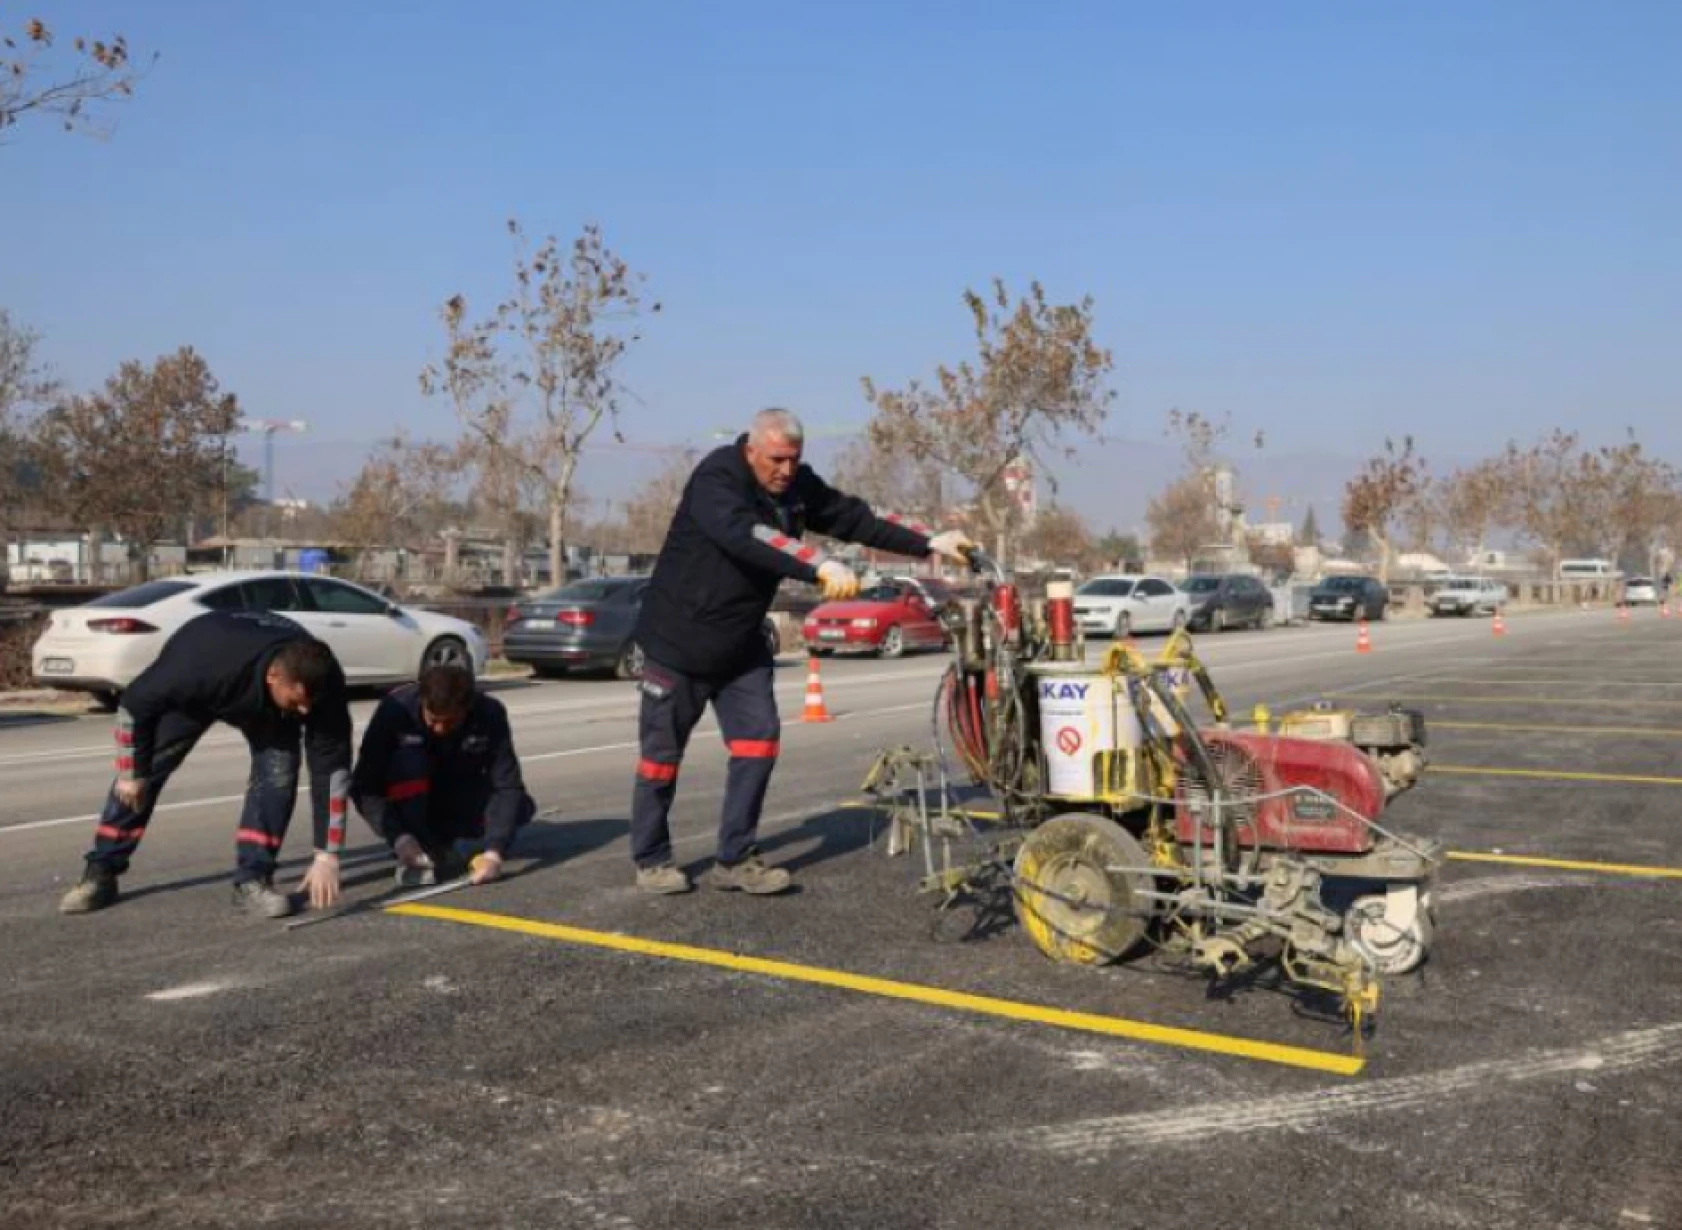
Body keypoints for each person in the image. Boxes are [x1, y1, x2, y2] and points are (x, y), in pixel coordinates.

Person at [628, 407, 974, 895]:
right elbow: (748, 534)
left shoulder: (795, 484)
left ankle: (736, 857)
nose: (785, 470)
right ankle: (652, 858)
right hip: (678, 641)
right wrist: (818, 565)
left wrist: (929, 541)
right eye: (775, 460)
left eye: (794, 459)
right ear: (751, 449)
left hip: (739, 643)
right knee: (661, 758)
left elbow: (855, 515)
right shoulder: (716, 479)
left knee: (759, 742)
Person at [59, 610, 353, 919]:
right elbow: (135, 705)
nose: (305, 711)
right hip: (206, 685)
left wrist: (327, 855)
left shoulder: (323, 683)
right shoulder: (199, 665)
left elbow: (332, 771)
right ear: (273, 677)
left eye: (309, 703)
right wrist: (131, 773)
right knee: (144, 770)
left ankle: (253, 880)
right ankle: (101, 871)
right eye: (297, 701)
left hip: (266, 711)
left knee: (279, 776)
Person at [351, 663, 535, 886]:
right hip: (413, 803)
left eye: (449, 722)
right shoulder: (395, 711)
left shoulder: (489, 713)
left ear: (467, 708)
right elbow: (364, 785)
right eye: (433, 719)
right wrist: (397, 836)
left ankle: (453, 842)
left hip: (457, 792)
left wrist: (495, 852)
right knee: (409, 762)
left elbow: (507, 785)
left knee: (520, 806)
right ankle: (419, 844)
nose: (439, 729)